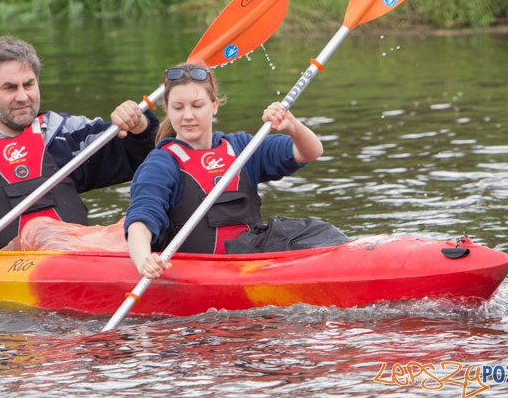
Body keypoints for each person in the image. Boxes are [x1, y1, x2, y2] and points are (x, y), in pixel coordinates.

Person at [0, 36, 159, 278]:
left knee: (137, 225)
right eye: (10, 87)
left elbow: (143, 156)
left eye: (29, 85)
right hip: (2, 279)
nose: (23, 97)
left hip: (79, 264)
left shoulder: (64, 134)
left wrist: (138, 126)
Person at [125, 62, 344, 279]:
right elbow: (140, 221)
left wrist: (291, 125)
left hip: (251, 262)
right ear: (168, 110)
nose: (188, 115)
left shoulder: (240, 147)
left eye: (197, 105)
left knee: (318, 231)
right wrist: (145, 261)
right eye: (178, 107)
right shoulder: (162, 163)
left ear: (215, 105)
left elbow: (310, 152)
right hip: (199, 273)